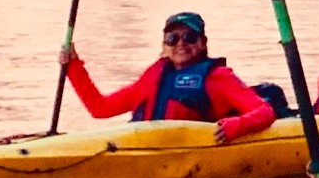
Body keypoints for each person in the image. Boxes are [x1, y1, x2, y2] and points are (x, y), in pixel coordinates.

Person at [60, 12, 278, 140]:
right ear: (164, 46)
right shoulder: (154, 76)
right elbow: (100, 108)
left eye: (190, 37)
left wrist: (234, 127)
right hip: (146, 149)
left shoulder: (218, 77)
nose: (181, 43)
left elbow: (264, 111)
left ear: (202, 43)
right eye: (172, 38)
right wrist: (73, 66)